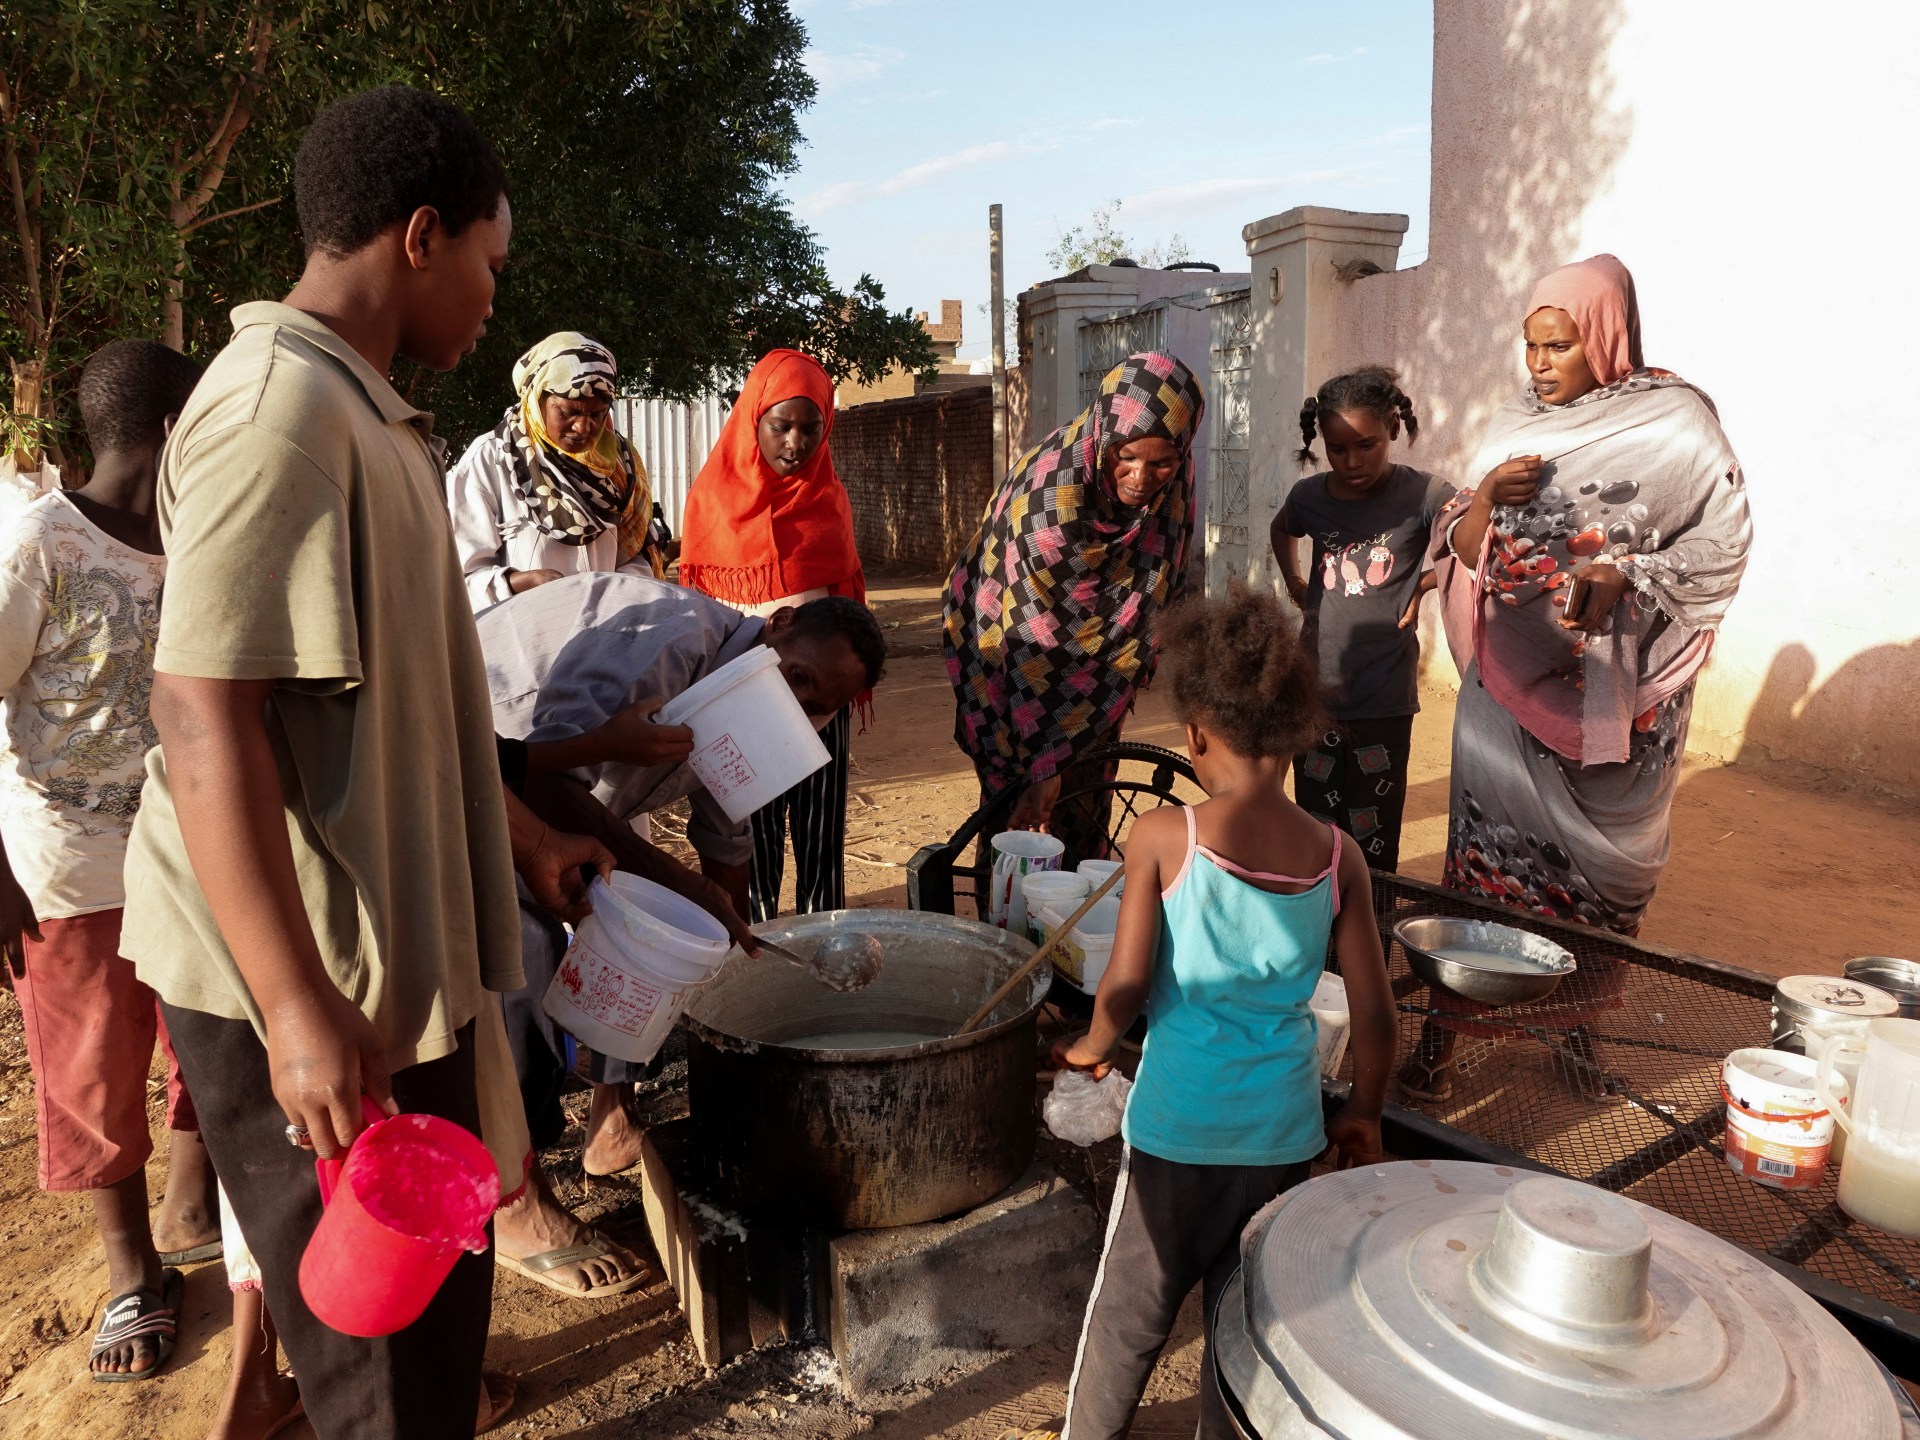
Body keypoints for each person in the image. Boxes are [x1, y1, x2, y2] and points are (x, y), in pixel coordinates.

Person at [116, 86, 596, 1438]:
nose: (496, 301)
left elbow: (390, 724)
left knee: (434, 1338)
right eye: (494, 267)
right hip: (316, 981)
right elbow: (201, 709)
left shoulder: (362, 413)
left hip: (383, 969)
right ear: (424, 237)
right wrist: (295, 1012)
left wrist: (524, 838)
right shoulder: (276, 416)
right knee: (377, 1369)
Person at [1038, 585, 1395, 1440]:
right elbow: (1375, 1014)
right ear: (1296, 729)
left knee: (1128, 1315)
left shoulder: (1166, 836)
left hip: (1174, 1132)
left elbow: (1122, 986)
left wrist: (1088, 1046)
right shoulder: (1337, 855)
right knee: (1242, 1327)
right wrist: (1366, 1113)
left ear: (1196, 731)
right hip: (1283, 1134)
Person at [1396, 254, 1752, 1103]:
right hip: (1506, 700)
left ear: (1604, 336)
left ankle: (1576, 1033)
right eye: (1531, 347)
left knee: (1600, 886)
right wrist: (1481, 500)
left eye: (1557, 346)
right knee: (1486, 865)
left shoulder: (1679, 424)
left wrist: (1627, 574)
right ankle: (1444, 1046)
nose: (1540, 365)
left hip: (1620, 698)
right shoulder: (1515, 424)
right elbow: (1456, 538)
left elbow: (1726, 538)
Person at [477, 572, 886, 1217]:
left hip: (577, 809)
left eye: (815, 706)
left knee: (654, 933)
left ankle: (611, 1117)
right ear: (777, 623)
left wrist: (730, 952)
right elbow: (533, 778)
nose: (794, 703)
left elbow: (728, 840)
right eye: (799, 676)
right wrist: (679, 881)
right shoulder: (666, 649)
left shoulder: (758, 707)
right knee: (524, 953)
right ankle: (515, 1195)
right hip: (482, 788)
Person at [0, 339, 220, 1382]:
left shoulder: (193, 542)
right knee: (90, 1072)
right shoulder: (39, 540)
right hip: (64, 867)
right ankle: (132, 1270)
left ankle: (190, 1204)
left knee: (206, 1035)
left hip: (186, 851)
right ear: (174, 431)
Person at [943, 351, 1204, 867]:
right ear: (1104, 436)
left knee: (1082, 816)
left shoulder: (1173, 491)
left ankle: (1071, 938)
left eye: (1162, 463)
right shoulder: (1050, 504)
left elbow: (1145, 605)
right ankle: (1005, 940)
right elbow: (1026, 639)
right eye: (1125, 456)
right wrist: (1043, 765)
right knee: (1012, 828)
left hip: (1096, 690)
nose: (1140, 477)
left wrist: (1066, 755)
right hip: (1006, 674)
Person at [679, 349, 864, 922]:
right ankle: (759, 945)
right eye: (781, 426)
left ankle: (823, 938)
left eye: (812, 428)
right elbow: (699, 612)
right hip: (739, 705)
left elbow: (846, 608)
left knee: (819, 835)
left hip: (819, 707)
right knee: (747, 834)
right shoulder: (710, 502)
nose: (796, 442)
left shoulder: (828, 500)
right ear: (752, 418)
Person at [1272, 366, 1456, 872]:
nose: (1352, 462)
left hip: (1384, 699)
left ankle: (1368, 933)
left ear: (1393, 430)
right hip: (1315, 694)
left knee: (1372, 829)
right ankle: (1318, 937)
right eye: (1338, 449)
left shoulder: (1423, 495)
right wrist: (1293, 581)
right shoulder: (1309, 497)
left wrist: (1423, 584)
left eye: (1367, 446)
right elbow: (1281, 529)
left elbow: (1470, 544)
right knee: (1314, 826)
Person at [446, 330, 661, 611]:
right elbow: (459, 580)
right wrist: (518, 583)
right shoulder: (491, 460)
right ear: (538, 400)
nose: (583, 427)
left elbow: (635, 556)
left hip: (605, 636)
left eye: (596, 414)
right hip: (523, 638)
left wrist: (612, 596)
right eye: (569, 412)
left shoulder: (620, 463)